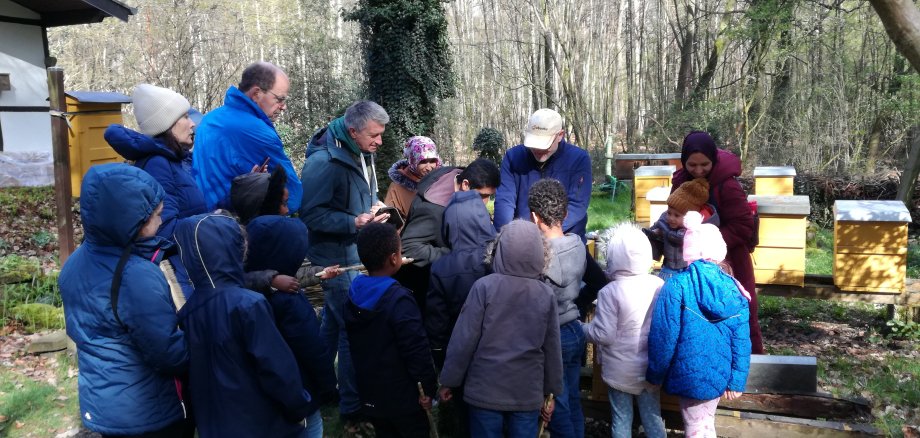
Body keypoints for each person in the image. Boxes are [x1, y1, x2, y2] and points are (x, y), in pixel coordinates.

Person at [59, 163, 189, 437]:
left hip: (104, 405)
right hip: (146, 412)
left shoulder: (74, 264)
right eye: (157, 216)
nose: (161, 222)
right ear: (133, 222)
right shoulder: (136, 276)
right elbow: (167, 353)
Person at [174, 213, 313, 438]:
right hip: (263, 423)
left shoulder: (187, 312)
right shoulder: (248, 304)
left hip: (217, 426)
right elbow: (277, 367)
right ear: (232, 249)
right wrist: (298, 405)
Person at [298, 99, 391, 425]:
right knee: (351, 329)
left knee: (334, 324)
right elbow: (310, 213)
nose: (380, 142)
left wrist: (373, 204)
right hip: (335, 258)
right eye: (375, 135)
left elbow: (359, 192)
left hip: (352, 251)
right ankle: (352, 409)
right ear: (353, 131)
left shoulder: (359, 150)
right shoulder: (324, 162)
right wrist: (354, 222)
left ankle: (320, 388)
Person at [438, 220, 563, 437]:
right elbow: (552, 348)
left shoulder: (484, 287)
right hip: (526, 391)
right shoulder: (545, 294)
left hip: (485, 390)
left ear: (498, 249)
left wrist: (449, 380)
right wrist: (551, 392)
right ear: (540, 252)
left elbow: (463, 340)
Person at [646, 211, 752, 438]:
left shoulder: (676, 286)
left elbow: (664, 336)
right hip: (719, 375)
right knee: (704, 424)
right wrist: (737, 380)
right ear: (720, 250)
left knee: (695, 428)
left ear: (688, 251)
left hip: (687, 375)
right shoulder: (736, 289)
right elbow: (742, 340)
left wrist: (655, 374)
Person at [105, 84, 208, 300]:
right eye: (185, 117)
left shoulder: (176, 161)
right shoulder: (158, 164)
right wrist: (211, 223)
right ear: (168, 124)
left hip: (187, 266)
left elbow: (188, 210)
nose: (192, 124)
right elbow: (163, 230)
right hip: (178, 275)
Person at [245, 216, 340, 438]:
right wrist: (329, 387)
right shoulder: (289, 302)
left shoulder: (245, 290)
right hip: (300, 392)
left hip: (262, 395)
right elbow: (313, 349)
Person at [670, 130, 763, 353]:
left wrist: (708, 243)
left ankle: (753, 365)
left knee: (741, 314)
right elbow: (674, 213)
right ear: (684, 161)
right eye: (692, 165)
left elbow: (743, 226)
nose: (698, 170)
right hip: (691, 262)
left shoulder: (727, 185)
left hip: (731, 262)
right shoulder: (681, 182)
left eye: (705, 164)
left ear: (713, 160)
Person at [345, 223, 438, 437]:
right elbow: (416, 350)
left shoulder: (352, 296)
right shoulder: (399, 300)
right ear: (394, 258)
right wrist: (428, 387)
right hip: (405, 399)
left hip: (371, 395)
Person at [424, 182, 497, 438]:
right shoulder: (501, 256)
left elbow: (437, 325)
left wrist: (444, 370)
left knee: (469, 421)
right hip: (503, 355)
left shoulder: (442, 268)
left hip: (463, 360)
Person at [583, 222, 666, 438]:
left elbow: (603, 334)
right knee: (653, 417)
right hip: (650, 368)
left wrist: (581, 329)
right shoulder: (658, 285)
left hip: (619, 371)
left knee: (621, 419)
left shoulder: (610, 292)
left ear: (612, 258)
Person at [192, 61, 302, 212]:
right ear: (257, 93)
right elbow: (291, 194)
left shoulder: (209, 119)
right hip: (237, 222)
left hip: (206, 218)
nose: (283, 106)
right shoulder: (256, 131)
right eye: (279, 99)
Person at [527, 178, 586, 438]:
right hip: (575, 328)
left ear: (533, 216)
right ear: (565, 213)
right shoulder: (578, 244)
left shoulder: (539, 256)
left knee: (556, 406)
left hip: (553, 336)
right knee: (572, 398)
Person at [397, 158, 500, 305]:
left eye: (490, 196)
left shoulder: (459, 177)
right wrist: (452, 257)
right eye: (483, 196)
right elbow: (409, 247)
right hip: (425, 287)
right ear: (465, 185)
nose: (486, 202)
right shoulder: (433, 208)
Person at [493, 108, 591, 239]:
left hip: (565, 239)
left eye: (544, 144)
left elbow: (577, 205)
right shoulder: (513, 157)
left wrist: (546, 233)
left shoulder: (579, 159)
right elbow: (504, 202)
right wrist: (503, 237)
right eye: (534, 143)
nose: (538, 149)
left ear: (560, 135)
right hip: (522, 238)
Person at [645, 177, 720, 281]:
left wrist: (664, 230)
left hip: (686, 269)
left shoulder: (693, 231)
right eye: (669, 213)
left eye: (677, 215)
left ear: (689, 217)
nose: (671, 218)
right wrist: (653, 233)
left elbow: (679, 237)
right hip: (668, 267)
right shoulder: (665, 221)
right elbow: (656, 229)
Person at [385, 136, 442, 218]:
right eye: (423, 162)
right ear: (413, 161)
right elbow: (392, 221)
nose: (429, 168)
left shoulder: (443, 182)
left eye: (432, 161)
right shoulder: (397, 188)